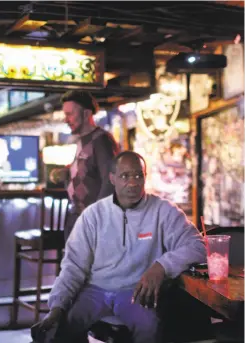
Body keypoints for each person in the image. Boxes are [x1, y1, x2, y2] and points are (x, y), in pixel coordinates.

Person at [33, 151, 206, 343]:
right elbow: (73, 267)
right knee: (59, 328)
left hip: (135, 292)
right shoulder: (94, 215)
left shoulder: (163, 211)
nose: (133, 183)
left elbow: (198, 246)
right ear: (112, 178)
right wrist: (56, 308)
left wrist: (162, 266)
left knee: (151, 327)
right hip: (94, 290)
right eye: (125, 176)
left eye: (138, 175)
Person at [50, 91, 120, 241]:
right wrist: (67, 174)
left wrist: (95, 216)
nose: (66, 120)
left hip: (91, 220)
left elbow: (110, 182)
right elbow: (88, 172)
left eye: (70, 114)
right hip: (77, 216)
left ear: (87, 113)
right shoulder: (82, 140)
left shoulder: (101, 140)